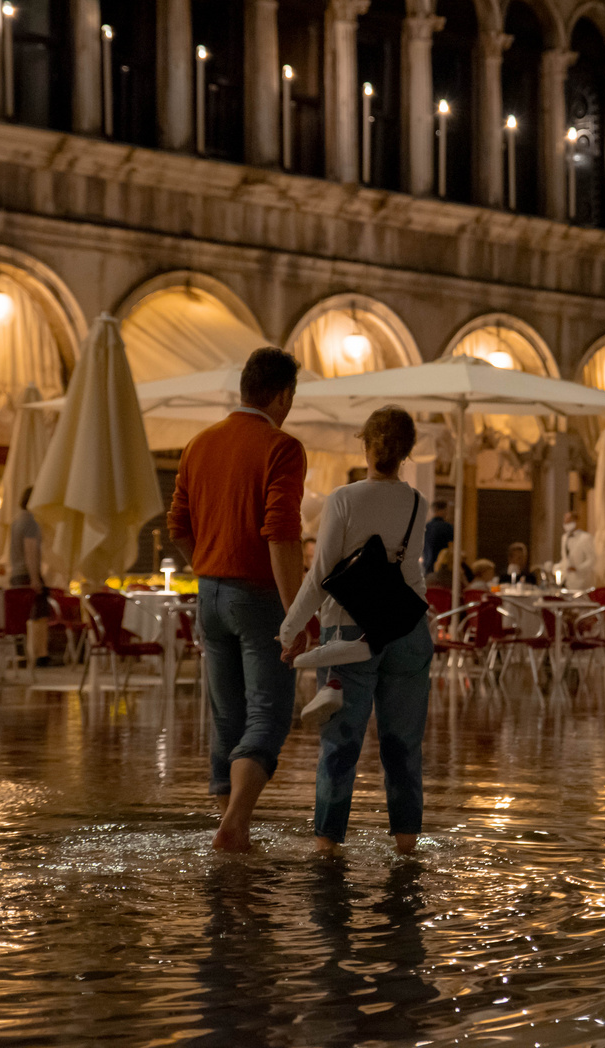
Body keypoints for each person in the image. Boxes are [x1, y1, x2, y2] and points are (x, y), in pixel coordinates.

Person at [168, 347, 307, 854]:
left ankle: (231, 830)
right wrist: (295, 612)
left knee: (226, 715)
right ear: (282, 395)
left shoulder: (198, 444)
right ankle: (234, 824)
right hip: (260, 595)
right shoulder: (282, 447)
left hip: (209, 592)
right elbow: (281, 532)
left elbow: (177, 525)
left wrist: (207, 561)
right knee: (268, 714)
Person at [280, 405, 433, 857]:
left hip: (348, 636)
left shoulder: (344, 499)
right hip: (408, 628)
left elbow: (320, 573)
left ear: (365, 444)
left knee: (340, 746)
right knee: (403, 746)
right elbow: (410, 571)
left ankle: (328, 847)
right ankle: (406, 845)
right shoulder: (417, 502)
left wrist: (290, 629)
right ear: (407, 453)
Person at [9, 487, 51, 667]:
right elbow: (31, 550)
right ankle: (39, 654)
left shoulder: (17, 521)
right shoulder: (31, 522)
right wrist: (35, 578)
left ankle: (22, 656)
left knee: (20, 617)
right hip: (27, 574)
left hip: (16, 574)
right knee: (38, 616)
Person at [557, 510, 595, 591]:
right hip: (568, 581)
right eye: (565, 522)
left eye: (569, 521)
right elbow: (565, 558)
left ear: (575, 521)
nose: (566, 524)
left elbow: (592, 559)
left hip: (582, 581)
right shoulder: (564, 538)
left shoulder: (585, 538)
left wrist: (578, 568)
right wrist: (558, 567)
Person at [422, 500, 452, 577]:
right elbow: (451, 546)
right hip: (442, 565)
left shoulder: (426, 526)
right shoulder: (447, 527)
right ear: (444, 510)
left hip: (427, 564)